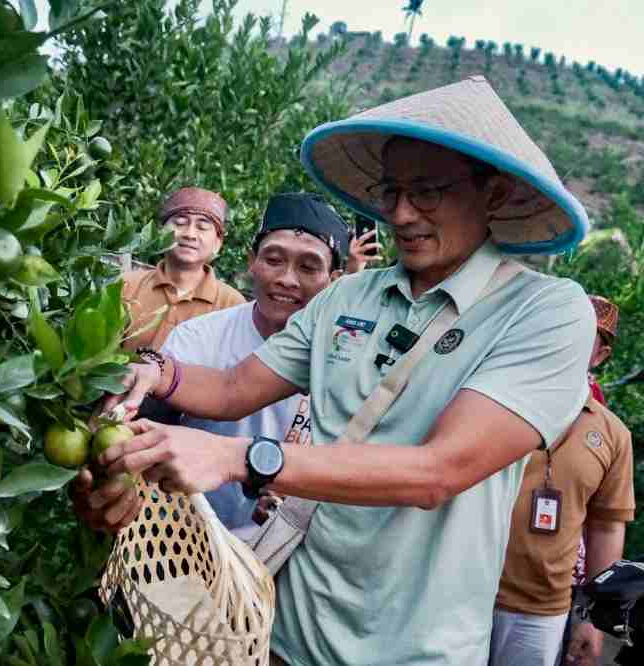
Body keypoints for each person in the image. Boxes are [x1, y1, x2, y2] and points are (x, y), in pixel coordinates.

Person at [77, 76, 596, 665]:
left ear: (494, 194)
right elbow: (231, 387)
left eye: (425, 191)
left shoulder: (544, 313)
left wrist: (236, 458)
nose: (401, 213)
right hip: (283, 629)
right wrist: (154, 370)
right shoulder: (346, 300)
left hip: (416, 649)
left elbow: (437, 471)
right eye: (390, 190)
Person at [156, 193, 358, 532]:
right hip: (186, 542)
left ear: (334, 280)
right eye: (274, 259)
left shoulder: (348, 357)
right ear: (252, 260)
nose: (286, 279)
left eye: (308, 267)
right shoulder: (197, 340)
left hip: (288, 552)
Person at [491, 295, 635, 666]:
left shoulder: (613, 434)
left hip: (541, 608)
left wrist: (593, 618)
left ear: (600, 355)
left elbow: (606, 527)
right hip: (463, 588)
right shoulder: (494, 402)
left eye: (583, 334)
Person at [121, 187, 245, 351]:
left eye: (202, 227)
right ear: (160, 231)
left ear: (218, 242)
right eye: (180, 223)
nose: (190, 234)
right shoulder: (126, 286)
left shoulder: (232, 305)